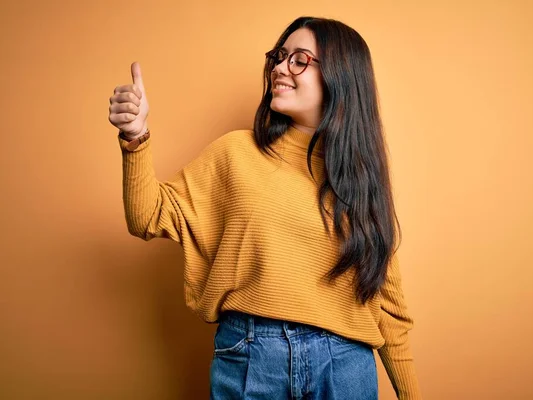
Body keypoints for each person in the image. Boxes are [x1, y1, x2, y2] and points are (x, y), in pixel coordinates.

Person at [108, 16, 421, 400]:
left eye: (299, 59)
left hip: (345, 367)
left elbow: (389, 311)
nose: (279, 68)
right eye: (279, 56)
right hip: (252, 357)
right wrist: (135, 135)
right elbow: (147, 217)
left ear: (341, 75)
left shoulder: (362, 184)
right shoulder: (236, 153)